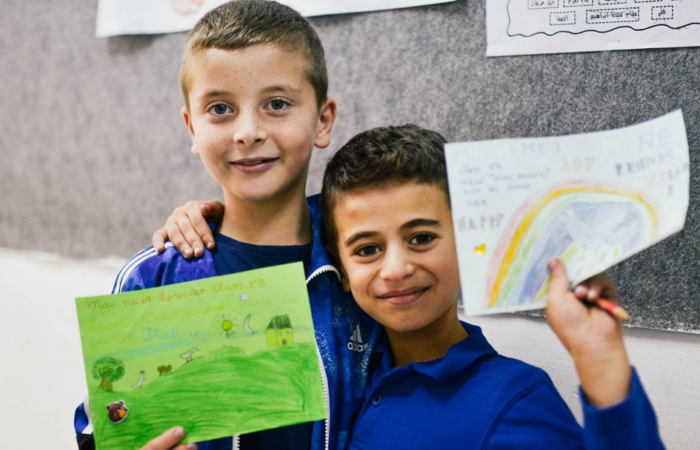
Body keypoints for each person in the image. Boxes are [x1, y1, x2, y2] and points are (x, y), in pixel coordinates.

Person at [163, 124, 664, 449]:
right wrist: (217, 222)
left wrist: (600, 361)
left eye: (421, 237)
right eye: (366, 249)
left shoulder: (511, 399)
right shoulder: (338, 370)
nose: (396, 268)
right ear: (337, 260)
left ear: (468, 241)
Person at [73, 2, 381, 450]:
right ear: (191, 129)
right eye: (220, 108)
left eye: (277, 104)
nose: (247, 131)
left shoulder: (365, 264)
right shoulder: (154, 278)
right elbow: (103, 427)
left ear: (322, 119)